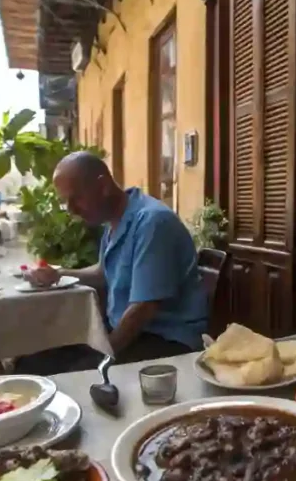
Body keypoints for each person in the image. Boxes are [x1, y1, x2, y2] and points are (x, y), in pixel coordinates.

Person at [23, 152, 207, 369]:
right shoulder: (115, 221)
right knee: (32, 359)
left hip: (165, 341)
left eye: (77, 198)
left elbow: (143, 309)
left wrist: (103, 356)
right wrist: (59, 273)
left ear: (103, 186)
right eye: (66, 202)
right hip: (131, 334)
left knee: (66, 372)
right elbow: (103, 272)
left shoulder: (152, 223)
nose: (71, 210)